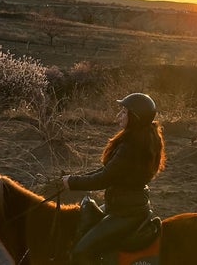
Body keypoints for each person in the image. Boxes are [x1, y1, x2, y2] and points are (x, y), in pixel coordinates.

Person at [51, 93, 165, 265]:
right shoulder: (141, 136)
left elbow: (104, 179)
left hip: (125, 212)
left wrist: (72, 182)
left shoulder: (131, 145)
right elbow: (109, 171)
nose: (119, 115)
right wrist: (72, 179)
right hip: (124, 205)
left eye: (124, 112)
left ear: (135, 117)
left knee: (81, 251)